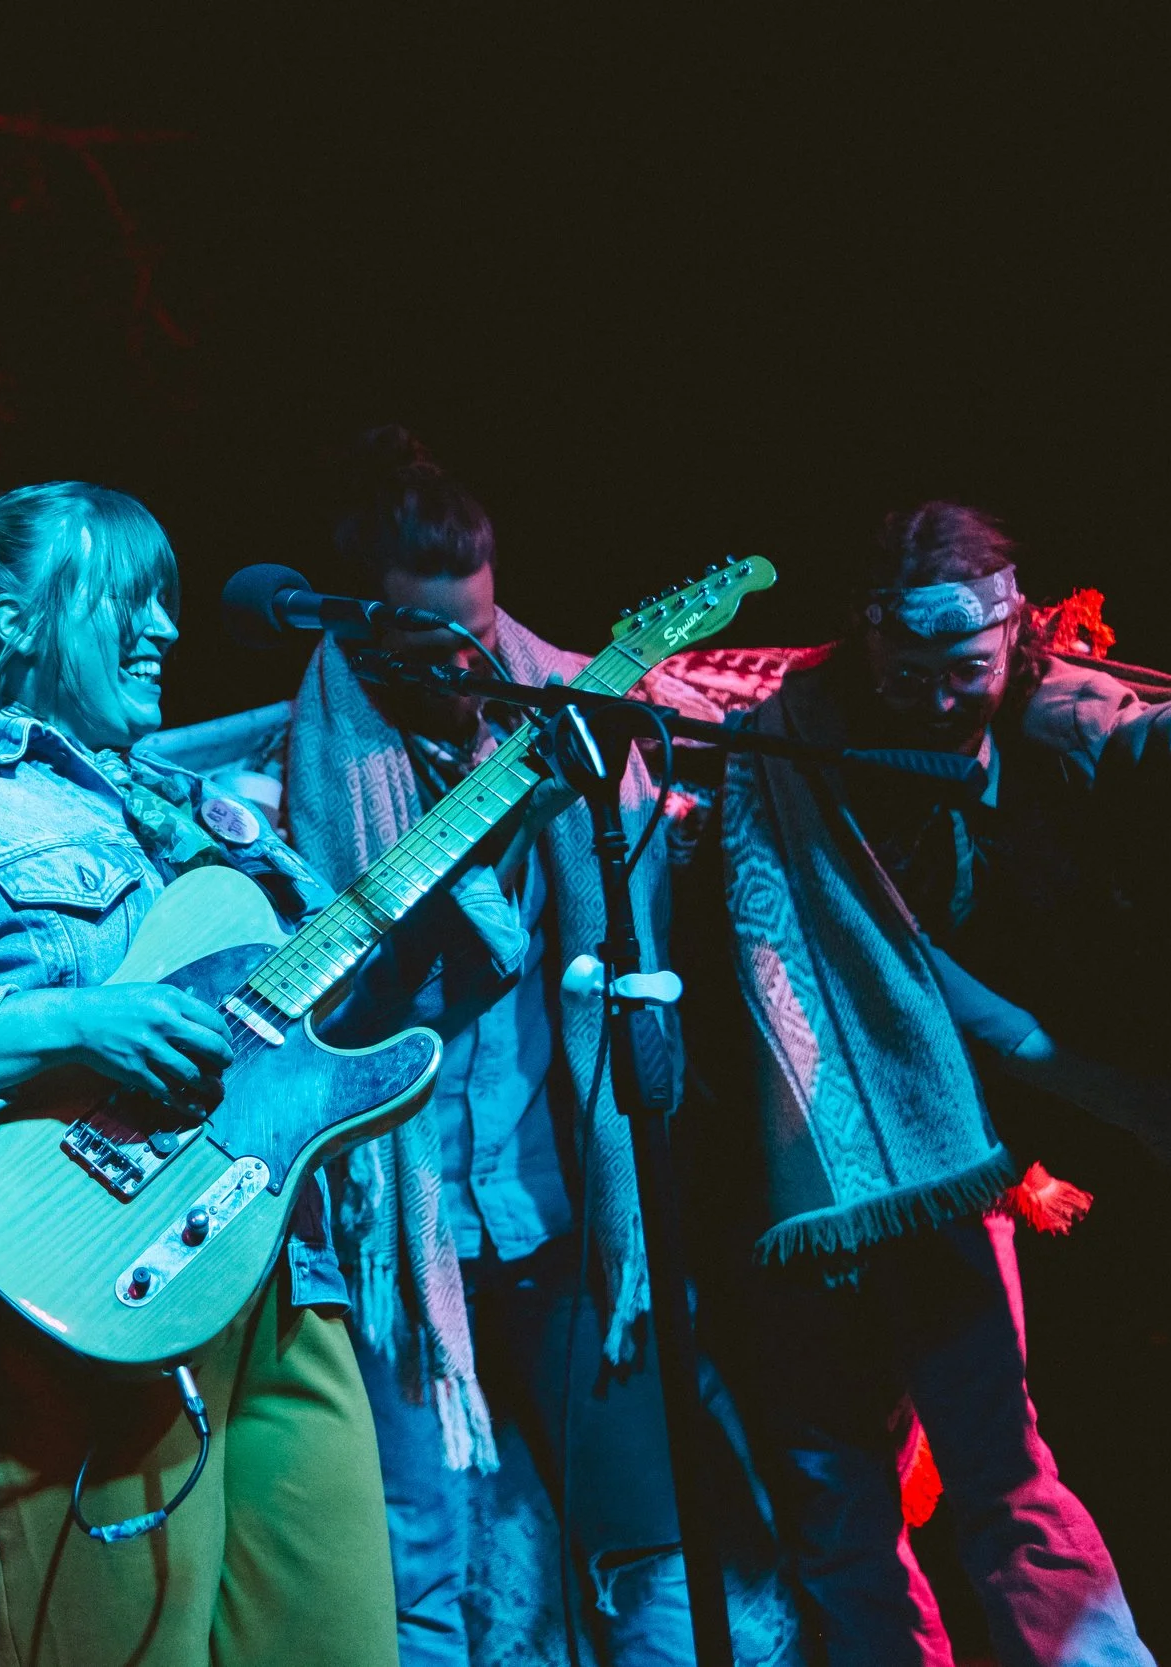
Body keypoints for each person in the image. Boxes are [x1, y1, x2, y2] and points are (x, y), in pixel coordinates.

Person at [0, 483, 400, 1667]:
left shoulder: (194, 814)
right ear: (11, 617)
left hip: (277, 1275)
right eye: (127, 601)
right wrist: (70, 1024)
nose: (164, 629)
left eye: (167, 601)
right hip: (71, 1307)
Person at [705, 502, 1171, 1666]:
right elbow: (929, 980)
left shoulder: (1056, 719)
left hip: (945, 1153)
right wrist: (1126, 1101)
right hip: (802, 1135)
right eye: (906, 671)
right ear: (866, 641)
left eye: (961, 669)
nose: (933, 699)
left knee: (997, 1464)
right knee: (830, 1483)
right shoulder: (802, 741)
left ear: (1012, 637)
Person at [282, 428, 792, 1665]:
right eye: (425, 645)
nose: (464, 667)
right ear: (358, 627)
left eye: (479, 631)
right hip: (401, 1238)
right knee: (419, 1563)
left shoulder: (562, 714)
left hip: (561, 1210)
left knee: (655, 1547)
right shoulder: (298, 757)